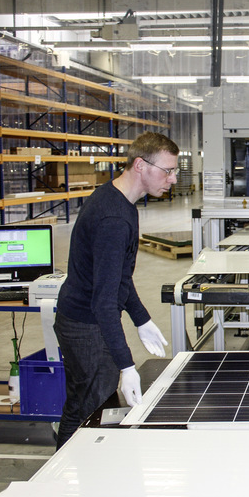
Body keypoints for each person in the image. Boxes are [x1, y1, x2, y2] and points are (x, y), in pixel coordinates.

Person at [54, 131, 179, 449]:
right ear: (140, 165)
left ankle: (67, 468)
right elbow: (104, 302)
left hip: (78, 318)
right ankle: (76, 470)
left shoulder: (117, 201)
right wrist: (126, 366)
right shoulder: (114, 219)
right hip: (86, 326)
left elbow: (119, 277)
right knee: (92, 414)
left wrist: (141, 318)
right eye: (168, 171)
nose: (173, 179)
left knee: (80, 405)